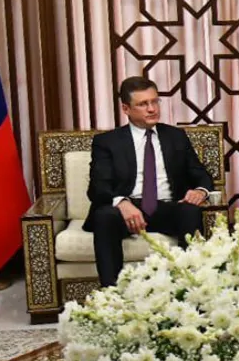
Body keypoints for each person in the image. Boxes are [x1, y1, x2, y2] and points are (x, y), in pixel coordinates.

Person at [84, 76, 214, 287]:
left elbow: (201, 175)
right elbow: (98, 187)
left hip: (166, 207)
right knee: (105, 215)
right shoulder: (107, 142)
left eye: (155, 101)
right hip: (128, 209)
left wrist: (200, 191)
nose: (152, 109)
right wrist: (122, 203)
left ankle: (190, 287)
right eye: (143, 104)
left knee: (190, 211)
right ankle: (111, 291)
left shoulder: (176, 136)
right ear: (126, 108)